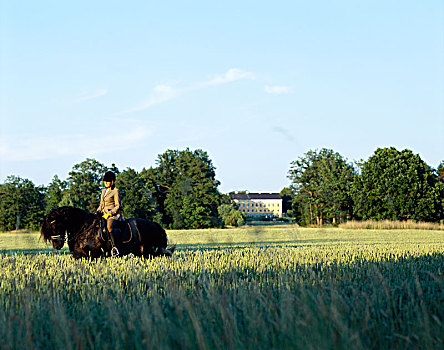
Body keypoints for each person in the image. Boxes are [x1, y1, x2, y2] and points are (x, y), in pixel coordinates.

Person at [96, 171, 122, 257]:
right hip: (102, 214)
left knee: (109, 227)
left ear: (112, 181)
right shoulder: (103, 191)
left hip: (113, 215)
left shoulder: (115, 191)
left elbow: (117, 206)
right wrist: (97, 212)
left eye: (107, 181)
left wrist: (109, 214)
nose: (106, 183)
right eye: (105, 181)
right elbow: (101, 205)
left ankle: (114, 248)